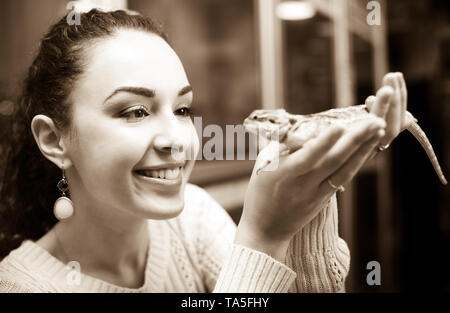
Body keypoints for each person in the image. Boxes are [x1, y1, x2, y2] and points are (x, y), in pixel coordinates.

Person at [0, 9, 407, 293]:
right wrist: (263, 237)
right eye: (135, 111)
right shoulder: (19, 285)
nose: (176, 137)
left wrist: (309, 207)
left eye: (181, 109)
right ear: (54, 140)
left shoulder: (191, 218)